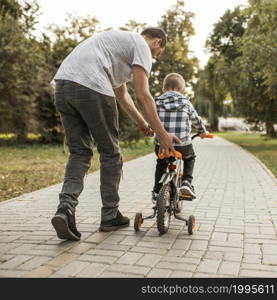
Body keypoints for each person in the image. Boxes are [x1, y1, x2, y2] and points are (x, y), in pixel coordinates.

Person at [50, 28, 181, 240]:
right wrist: (162, 133)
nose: (155, 57)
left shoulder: (116, 46)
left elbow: (123, 94)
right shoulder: (142, 46)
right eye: (159, 53)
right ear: (158, 42)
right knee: (110, 153)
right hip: (91, 84)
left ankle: (65, 209)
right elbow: (143, 95)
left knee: (79, 153)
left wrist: (143, 122)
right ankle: (109, 215)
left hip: (63, 85)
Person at [152, 73, 208, 201]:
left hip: (162, 145)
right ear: (183, 91)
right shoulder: (186, 102)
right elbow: (196, 120)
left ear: (163, 89)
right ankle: (186, 182)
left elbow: (151, 119)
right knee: (190, 158)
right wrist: (202, 132)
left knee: (161, 162)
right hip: (182, 145)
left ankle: (156, 190)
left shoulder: (156, 102)